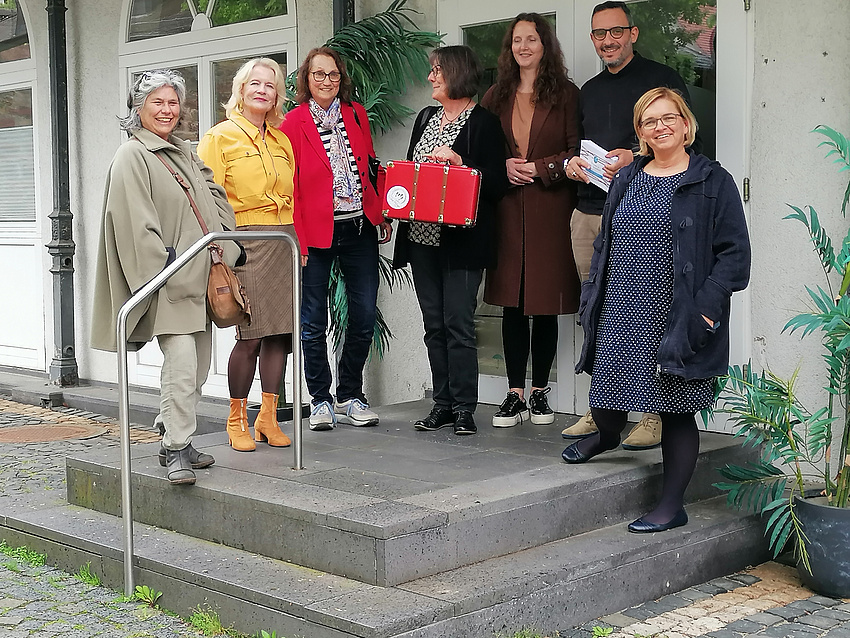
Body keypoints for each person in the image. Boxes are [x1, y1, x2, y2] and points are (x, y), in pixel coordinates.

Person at [564, 87, 750, 533]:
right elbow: (606, 239)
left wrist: (707, 307)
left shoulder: (712, 181)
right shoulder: (629, 178)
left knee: (675, 410)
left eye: (669, 118)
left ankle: (672, 505)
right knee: (607, 396)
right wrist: (594, 293)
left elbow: (735, 256)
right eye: (649, 121)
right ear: (640, 133)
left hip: (678, 314)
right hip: (622, 306)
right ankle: (606, 436)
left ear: (686, 125)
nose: (660, 126)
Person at [561, 0, 700, 450]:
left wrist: (633, 158)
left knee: (651, 316)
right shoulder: (589, 89)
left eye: (616, 31)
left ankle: (655, 414)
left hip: (643, 215)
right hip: (589, 212)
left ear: (633, 33)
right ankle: (603, 409)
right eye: (599, 34)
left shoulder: (662, 81)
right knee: (598, 313)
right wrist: (574, 164)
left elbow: (691, 147)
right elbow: (570, 143)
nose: (608, 41)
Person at [91, 69, 241, 485]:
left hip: (202, 280)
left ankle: (175, 436)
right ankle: (177, 450)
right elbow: (134, 224)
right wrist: (163, 270)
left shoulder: (186, 153)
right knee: (181, 365)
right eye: (157, 101)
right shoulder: (133, 155)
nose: (167, 109)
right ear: (138, 108)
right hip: (171, 281)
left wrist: (227, 247)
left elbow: (217, 201)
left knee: (197, 368)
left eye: (173, 102)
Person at [392, 45, 508, 436]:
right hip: (422, 239)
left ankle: (463, 408)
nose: (431, 77)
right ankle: (440, 404)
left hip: (462, 243)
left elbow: (498, 182)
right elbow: (412, 173)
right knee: (433, 325)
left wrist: (463, 165)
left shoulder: (484, 123)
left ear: (457, 73)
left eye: (437, 70)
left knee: (459, 324)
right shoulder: (425, 117)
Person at [280, 47, 392, 431]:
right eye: (318, 74)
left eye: (332, 74)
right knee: (312, 321)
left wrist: (379, 213)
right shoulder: (292, 123)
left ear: (341, 78)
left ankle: (350, 394)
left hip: (359, 226)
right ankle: (321, 399)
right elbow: (290, 185)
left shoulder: (355, 114)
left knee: (362, 316)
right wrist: (299, 239)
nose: (326, 81)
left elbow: (370, 164)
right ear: (306, 80)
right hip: (315, 233)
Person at [481, 13, 581, 428]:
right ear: (510, 48)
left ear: (545, 45)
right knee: (512, 304)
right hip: (506, 210)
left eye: (532, 40)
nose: (524, 47)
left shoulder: (567, 94)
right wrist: (503, 166)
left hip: (550, 209)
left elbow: (577, 151)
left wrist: (540, 168)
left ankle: (540, 391)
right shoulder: (494, 96)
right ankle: (514, 393)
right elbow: (482, 151)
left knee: (544, 303)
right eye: (517, 40)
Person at [197, 58, 296, 452]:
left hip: (283, 239)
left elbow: (294, 199)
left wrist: (298, 243)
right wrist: (218, 247)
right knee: (251, 335)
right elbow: (207, 197)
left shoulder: (282, 139)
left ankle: (268, 419)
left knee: (280, 335)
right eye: (254, 83)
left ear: (276, 96)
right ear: (240, 90)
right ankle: (236, 418)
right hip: (243, 240)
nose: (262, 90)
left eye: (269, 85)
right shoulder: (220, 137)